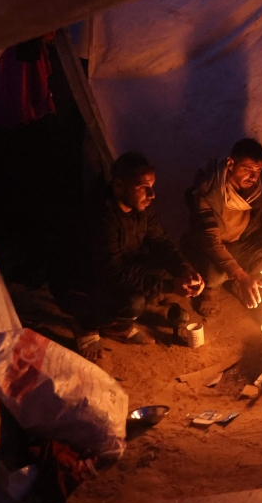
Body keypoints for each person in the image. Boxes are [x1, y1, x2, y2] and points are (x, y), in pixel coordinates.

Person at [71, 151, 204, 361]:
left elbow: (161, 242)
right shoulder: (102, 217)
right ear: (119, 187)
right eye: (143, 188)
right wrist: (170, 287)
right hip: (85, 279)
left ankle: (117, 327)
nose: (152, 195)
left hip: (121, 267)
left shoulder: (142, 208)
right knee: (134, 301)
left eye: (152, 186)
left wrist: (184, 268)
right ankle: (85, 323)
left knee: (165, 273)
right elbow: (111, 273)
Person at [182, 138, 262, 315]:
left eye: (258, 170)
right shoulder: (208, 190)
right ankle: (212, 290)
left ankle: (245, 282)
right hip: (210, 247)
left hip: (242, 243)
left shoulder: (258, 187)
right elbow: (211, 240)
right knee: (213, 274)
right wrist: (239, 274)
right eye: (247, 169)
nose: (253, 177)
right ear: (230, 164)